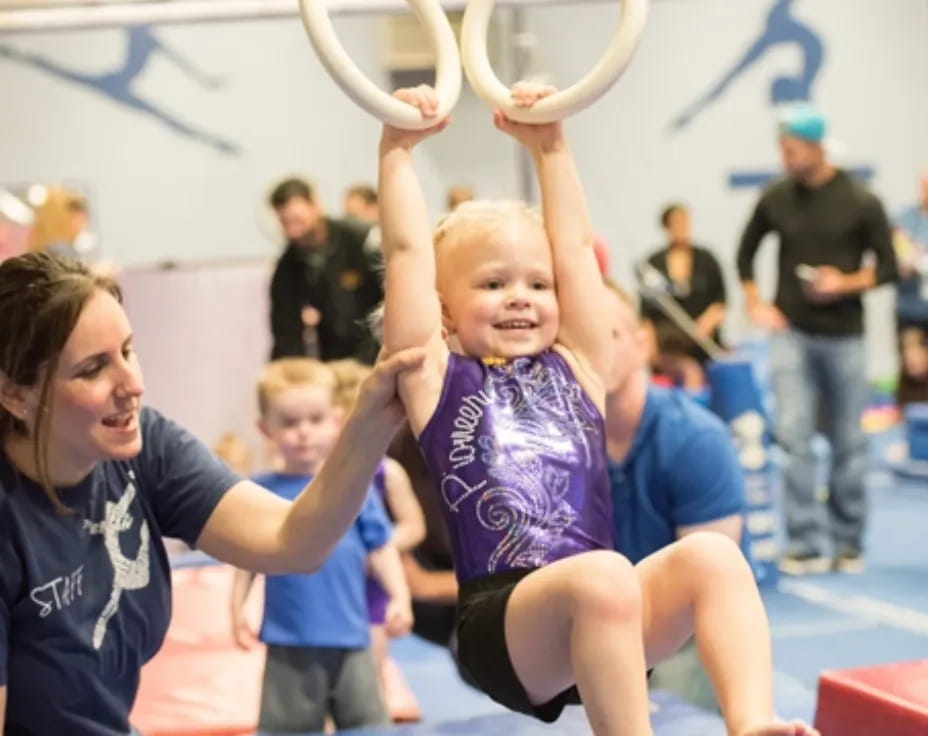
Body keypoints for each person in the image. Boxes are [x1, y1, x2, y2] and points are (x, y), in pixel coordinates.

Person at [378, 82, 818, 736]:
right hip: (501, 625)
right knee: (606, 576)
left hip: (600, 618)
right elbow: (407, 255)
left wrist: (551, 146)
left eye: (536, 283)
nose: (520, 297)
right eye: (493, 284)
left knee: (714, 559)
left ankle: (751, 722)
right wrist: (397, 152)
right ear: (443, 310)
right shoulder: (439, 380)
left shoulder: (579, 366)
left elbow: (578, 251)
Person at [0, 250, 424, 734]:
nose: (132, 384)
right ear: (16, 394)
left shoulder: (143, 448)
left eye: (128, 350)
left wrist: (372, 419)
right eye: (93, 369)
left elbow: (291, 540)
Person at [736, 103, 897, 575]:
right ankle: (804, 542)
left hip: (846, 337)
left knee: (849, 440)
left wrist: (842, 283)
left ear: (817, 147)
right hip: (792, 334)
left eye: (792, 150)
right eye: (781, 150)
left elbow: (886, 269)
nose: (785, 159)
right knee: (794, 437)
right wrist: (756, 303)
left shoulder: (861, 200)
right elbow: (744, 254)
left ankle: (847, 541)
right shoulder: (776, 198)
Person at [229, 358, 412, 734]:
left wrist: (400, 596)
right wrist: (238, 608)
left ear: (336, 420)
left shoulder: (352, 486)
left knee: (367, 725)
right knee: (289, 728)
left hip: (351, 633)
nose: (303, 433)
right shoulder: (260, 492)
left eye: (315, 420)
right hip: (290, 639)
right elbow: (245, 557)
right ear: (266, 429)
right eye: (290, 423)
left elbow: (380, 547)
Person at [603, 281, 746, 711]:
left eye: (607, 335)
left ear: (641, 341)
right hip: (602, 624)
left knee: (669, 707)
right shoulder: (557, 446)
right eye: (577, 339)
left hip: (683, 629)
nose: (593, 351)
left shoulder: (696, 439)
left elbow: (710, 589)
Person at [329, 358, 425, 721]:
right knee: (326, 680)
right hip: (328, 585)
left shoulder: (388, 472)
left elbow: (413, 526)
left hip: (370, 588)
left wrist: (381, 547)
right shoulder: (320, 470)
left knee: (369, 676)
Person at [267, 177, 383, 363]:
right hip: (334, 359)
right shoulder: (289, 264)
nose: (292, 232)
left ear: (315, 205)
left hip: (379, 352)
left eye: (297, 220)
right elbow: (285, 330)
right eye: (285, 223)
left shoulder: (360, 241)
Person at [640, 203, 727, 387]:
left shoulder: (706, 258)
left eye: (685, 221)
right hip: (669, 341)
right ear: (666, 227)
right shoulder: (653, 264)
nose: (683, 227)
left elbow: (721, 300)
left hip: (703, 336)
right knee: (687, 369)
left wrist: (708, 322)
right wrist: (650, 348)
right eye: (677, 222)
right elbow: (645, 311)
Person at [892, 169, 928, 406]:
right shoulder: (904, 219)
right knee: (914, 368)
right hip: (912, 310)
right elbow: (894, 257)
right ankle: (911, 430)